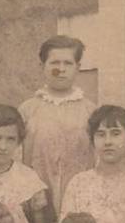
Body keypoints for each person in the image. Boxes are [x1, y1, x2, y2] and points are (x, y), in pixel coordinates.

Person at [18, 35, 96, 212]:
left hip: (80, 200)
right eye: (54, 63)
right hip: (37, 202)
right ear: (42, 67)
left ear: (78, 68)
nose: (61, 69)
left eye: (68, 63)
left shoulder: (90, 111)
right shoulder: (27, 110)